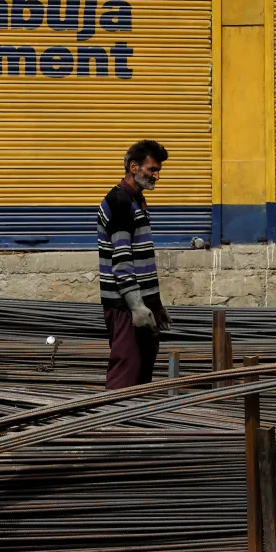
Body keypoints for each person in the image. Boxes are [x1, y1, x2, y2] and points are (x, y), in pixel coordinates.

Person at [97, 139, 171, 389]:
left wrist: (155, 303)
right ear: (133, 167)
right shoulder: (119, 203)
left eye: (158, 170)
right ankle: (113, 424)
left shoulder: (136, 201)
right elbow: (121, 260)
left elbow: (143, 260)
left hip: (141, 304)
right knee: (125, 374)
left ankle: (135, 424)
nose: (157, 176)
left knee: (142, 373)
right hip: (125, 307)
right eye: (152, 169)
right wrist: (137, 306)